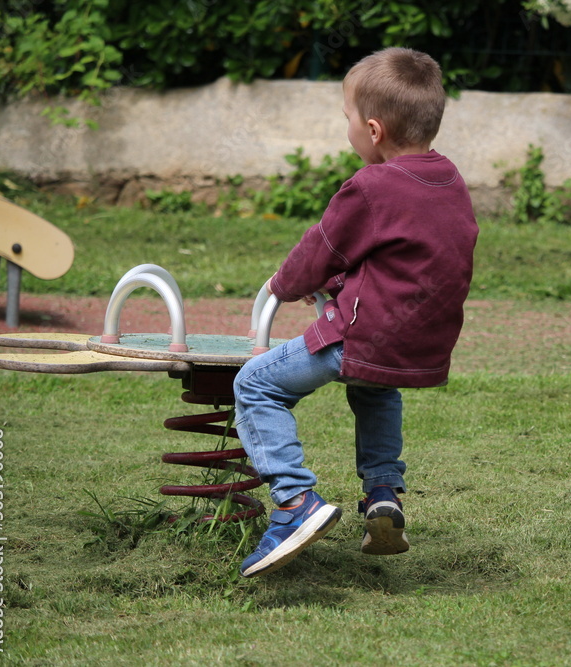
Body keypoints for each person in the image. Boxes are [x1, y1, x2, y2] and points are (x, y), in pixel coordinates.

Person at [234, 47, 479, 578]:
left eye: (346, 117)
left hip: (361, 334)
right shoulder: (449, 181)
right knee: (374, 387)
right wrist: (338, 284)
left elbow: (320, 249)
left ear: (372, 129)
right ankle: (383, 492)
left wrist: (285, 284)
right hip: (419, 341)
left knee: (255, 384)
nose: (345, 126)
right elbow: (401, 260)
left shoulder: (370, 186)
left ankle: (295, 501)